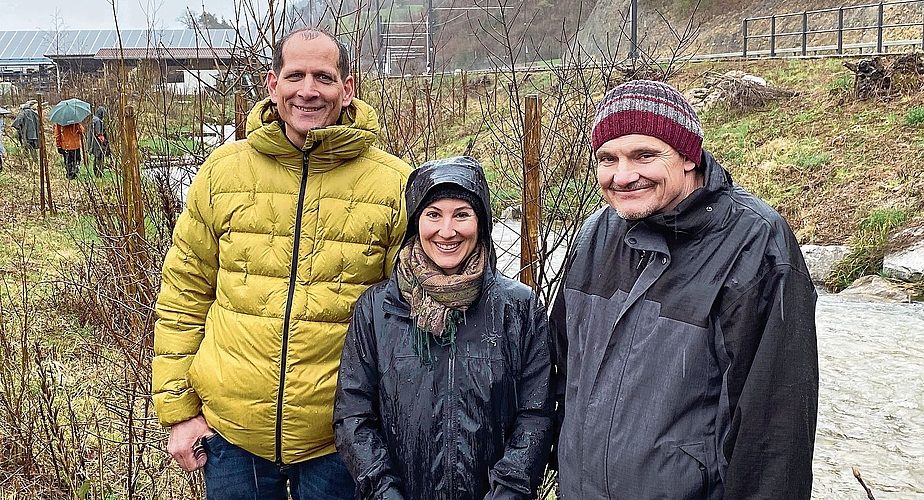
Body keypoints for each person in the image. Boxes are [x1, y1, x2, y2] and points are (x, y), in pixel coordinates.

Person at [151, 27, 412, 500]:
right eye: (295, 76)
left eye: (324, 77)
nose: (308, 91)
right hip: (231, 435)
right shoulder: (223, 172)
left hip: (339, 439)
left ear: (347, 89)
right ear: (272, 85)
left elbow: (409, 318)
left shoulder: (393, 184)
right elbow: (184, 295)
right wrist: (179, 411)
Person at [550, 80, 818, 499]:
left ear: (689, 156)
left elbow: (774, 430)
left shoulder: (754, 244)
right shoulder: (594, 236)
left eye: (644, 155)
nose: (623, 175)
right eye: (608, 158)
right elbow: (564, 372)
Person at [334, 156, 554, 500]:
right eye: (433, 214)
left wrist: (508, 493)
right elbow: (353, 415)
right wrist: (383, 492)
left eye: (462, 214)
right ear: (415, 223)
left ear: (481, 222)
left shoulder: (519, 308)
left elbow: (535, 415)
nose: (447, 231)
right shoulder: (378, 309)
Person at [86, 106, 109, 176]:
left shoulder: (93, 119)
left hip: (93, 143)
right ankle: (99, 173)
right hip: (97, 144)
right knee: (99, 157)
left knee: (96, 157)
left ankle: (97, 173)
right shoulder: (98, 121)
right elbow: (99, 134)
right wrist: (104, 141)